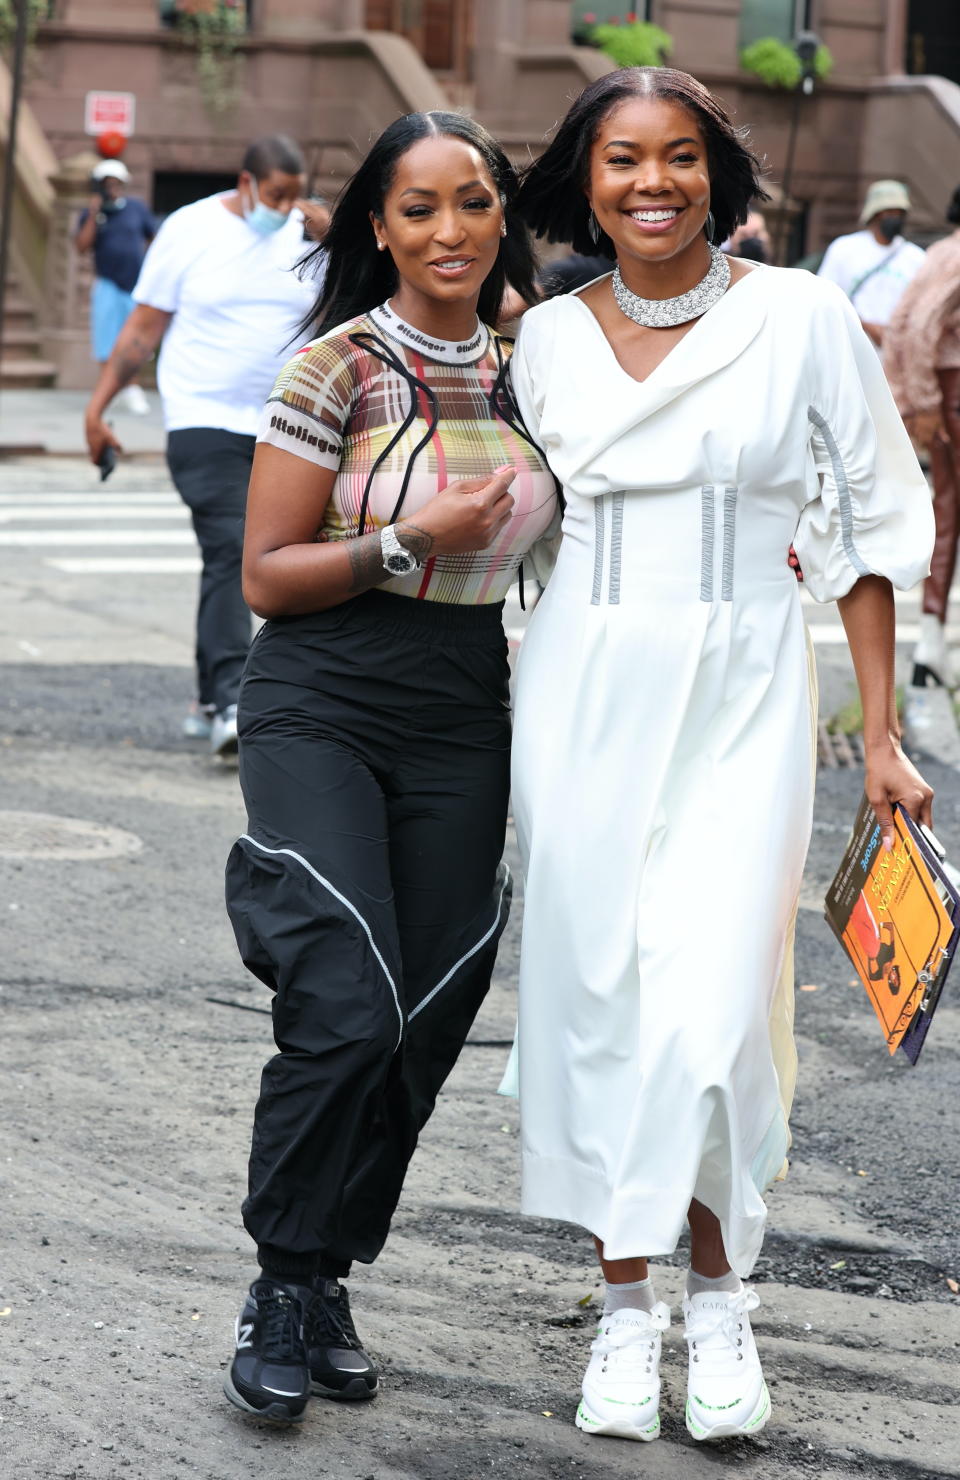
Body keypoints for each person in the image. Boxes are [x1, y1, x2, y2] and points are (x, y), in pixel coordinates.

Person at [507, 66, 934, 1446]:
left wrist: (880, 735)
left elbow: (870, 526)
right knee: (601, 1008)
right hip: (584, 688)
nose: (653, 184)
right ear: (586, 179)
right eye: (624, 159)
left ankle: (722, 1298)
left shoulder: (803, 316)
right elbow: (526, 531)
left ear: (718, 176)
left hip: (748, 680)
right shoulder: (548, 342)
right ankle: (624, 1315)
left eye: (681, 158)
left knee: (713, 1012)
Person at [220, 110, 558, 1425]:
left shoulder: (539, 371)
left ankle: (327, 1271)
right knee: (346, 996)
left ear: (498, 216)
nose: (448, 229)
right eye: (418, 207)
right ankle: (278, 1275)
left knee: (426, 1016)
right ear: (379, 225)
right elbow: (265, 576)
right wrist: (402, 539)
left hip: (465, 703)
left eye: (472, 202)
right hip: (324, 694)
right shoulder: (336, 368)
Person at [83, 135, 315, 756]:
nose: (286, 206)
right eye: (275, 194)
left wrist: (335, 231)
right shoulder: (189, 229)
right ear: (245, 184)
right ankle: (230, 699)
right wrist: (99, 407)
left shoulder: (311, 234)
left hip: (290, 427)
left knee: (274, 556)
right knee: (231, 546)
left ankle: (208, 696)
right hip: (203, 419)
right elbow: (143, 329)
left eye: (295, 194)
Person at [885, 184, 960, 688]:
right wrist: (924, 403)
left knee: (948, 512)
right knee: (947, 512)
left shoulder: (939, 251)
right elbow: (918, 326)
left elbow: (900, 325)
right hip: (952, 391)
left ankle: (931, 641)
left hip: (945, 394)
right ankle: (932, 644)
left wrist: (914, 399)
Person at [74, 159, 157, 413]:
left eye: (116, 184)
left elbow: (154, 237)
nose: (112, 189)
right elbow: (81, 246)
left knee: (134, 340)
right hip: (107, 283)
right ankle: (108, 391)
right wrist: (93, 214)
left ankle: (132, 388)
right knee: (106, 341)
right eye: (107, 184)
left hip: (135, 285)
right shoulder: (93, 214)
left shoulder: (136, 209)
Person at [817, 179, 925, 351]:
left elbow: (922, 307)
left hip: (897, 353)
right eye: (889, 212)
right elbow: (826, 297)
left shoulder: (916, 257)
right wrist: (866, 325)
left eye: (899, 213)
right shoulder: (844, 248)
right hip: (852, 346)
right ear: (874, 214)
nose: (895, 218)